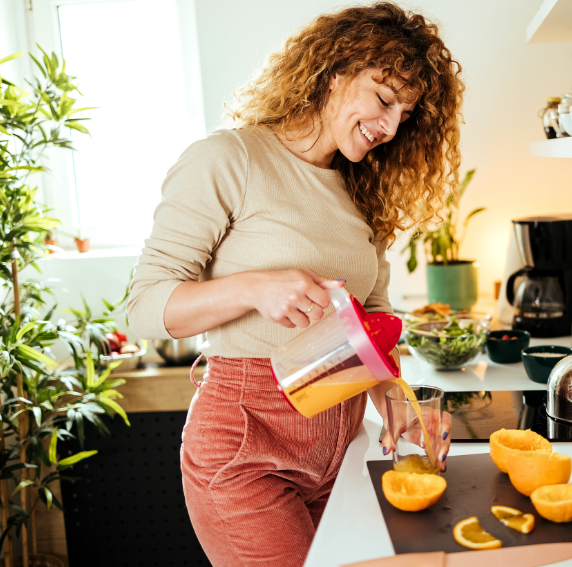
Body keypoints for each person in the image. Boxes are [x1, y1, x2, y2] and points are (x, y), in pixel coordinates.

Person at [127, 3, 465, 566]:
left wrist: (395, 401)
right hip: (245, 452)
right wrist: (254, 287)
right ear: (333, 71)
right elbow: (142, 307)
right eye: (384, 99)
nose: (390, 126)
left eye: (404, 114)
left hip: (340, 456)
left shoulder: (361, 191)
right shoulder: (228, 159)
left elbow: (372, 320)